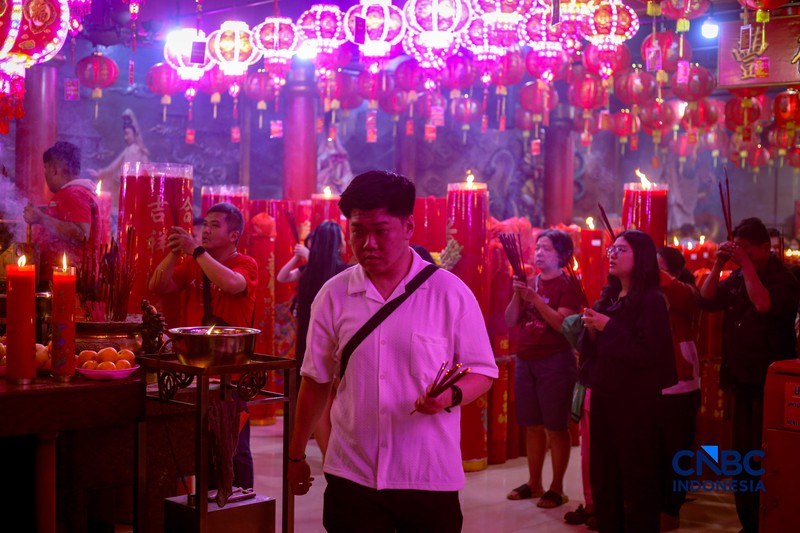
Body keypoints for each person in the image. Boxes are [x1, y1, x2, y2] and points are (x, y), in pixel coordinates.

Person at [288, 170, 498, 533]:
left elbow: (483, 371)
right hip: (351, 474)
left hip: (428, 475)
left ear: (408, 227)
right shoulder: (333, 295)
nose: (368, 243)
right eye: (358, 231)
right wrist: (295, 455)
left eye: (381, 231)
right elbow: (315, 381)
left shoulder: (450, 294)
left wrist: (451, 396)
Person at [148, 202, 258, 489]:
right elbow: (158, 286)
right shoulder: (194, 264)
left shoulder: (245, 263)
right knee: (200, 444)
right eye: (205, 225)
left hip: (230, 374)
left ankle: (239, 506)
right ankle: (208, 508)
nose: (206, 230)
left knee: (234, 448)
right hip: (195, 370)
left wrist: (196, 251)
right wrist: (174, 255)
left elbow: (233, 284)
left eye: (214, 225)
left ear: (234, 235)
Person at [699, 217, 799, 533]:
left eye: (747, 251)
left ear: (764, 248)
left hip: (769, 384)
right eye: (738, 249)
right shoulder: (740, 275)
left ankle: (767, 520)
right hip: (740, 380)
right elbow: (706, 298)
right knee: (742, 456)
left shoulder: (783, 278)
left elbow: (764, 305)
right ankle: (748, 521)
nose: (742, 256)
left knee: (766, 457)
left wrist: (746, 266)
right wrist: (718, 266)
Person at [579, 230, 677, 533]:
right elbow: (593, 349)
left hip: (637, 403)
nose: (613, 254)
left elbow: (649, 353)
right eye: (612, 249)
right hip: (606, 396)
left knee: (637, 479)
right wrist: (593, 330)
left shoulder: (651, 301)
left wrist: (608, 326)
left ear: (641, 258)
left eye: (621, 250)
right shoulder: (608, 297)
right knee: (605, 476)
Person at [504, 229, 582, 509]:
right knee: (532, 426)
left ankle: (556, 487)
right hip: (526, 359)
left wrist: (534, 299)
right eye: (537, 247)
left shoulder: (569, 284)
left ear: (562, 255)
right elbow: (511, 320)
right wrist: (518, 295)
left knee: (555, 427)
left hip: (556, 361)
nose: (539, 252)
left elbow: (564, 326)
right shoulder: (530, 282)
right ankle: (534, 482)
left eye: (546, 248)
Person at [656, 246, 702, 532]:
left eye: (655, 265)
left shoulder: (685, 291)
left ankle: (671, 508)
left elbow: (680, 296)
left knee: (677, 451)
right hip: (650, 384)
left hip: (681, 382)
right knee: (653, 450)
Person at [23, 141, 99, 285]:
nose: (45, 173)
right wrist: (42, 212)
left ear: (54, 169)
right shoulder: (71, 193)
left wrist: (41, 218)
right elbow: (66, 216)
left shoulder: (74, 193)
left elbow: (81, 234)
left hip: (69, 284)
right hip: (63, 281)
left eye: (46, 168)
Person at [88, 109, 150, 231]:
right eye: (124, 134)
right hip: (125, 187)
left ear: (135, 134)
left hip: (135, 189)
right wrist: (100, 174)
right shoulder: (129, 150)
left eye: (128, 134)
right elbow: (113, 167)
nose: (125, 137)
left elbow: (146, 171)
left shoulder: (139, 152)